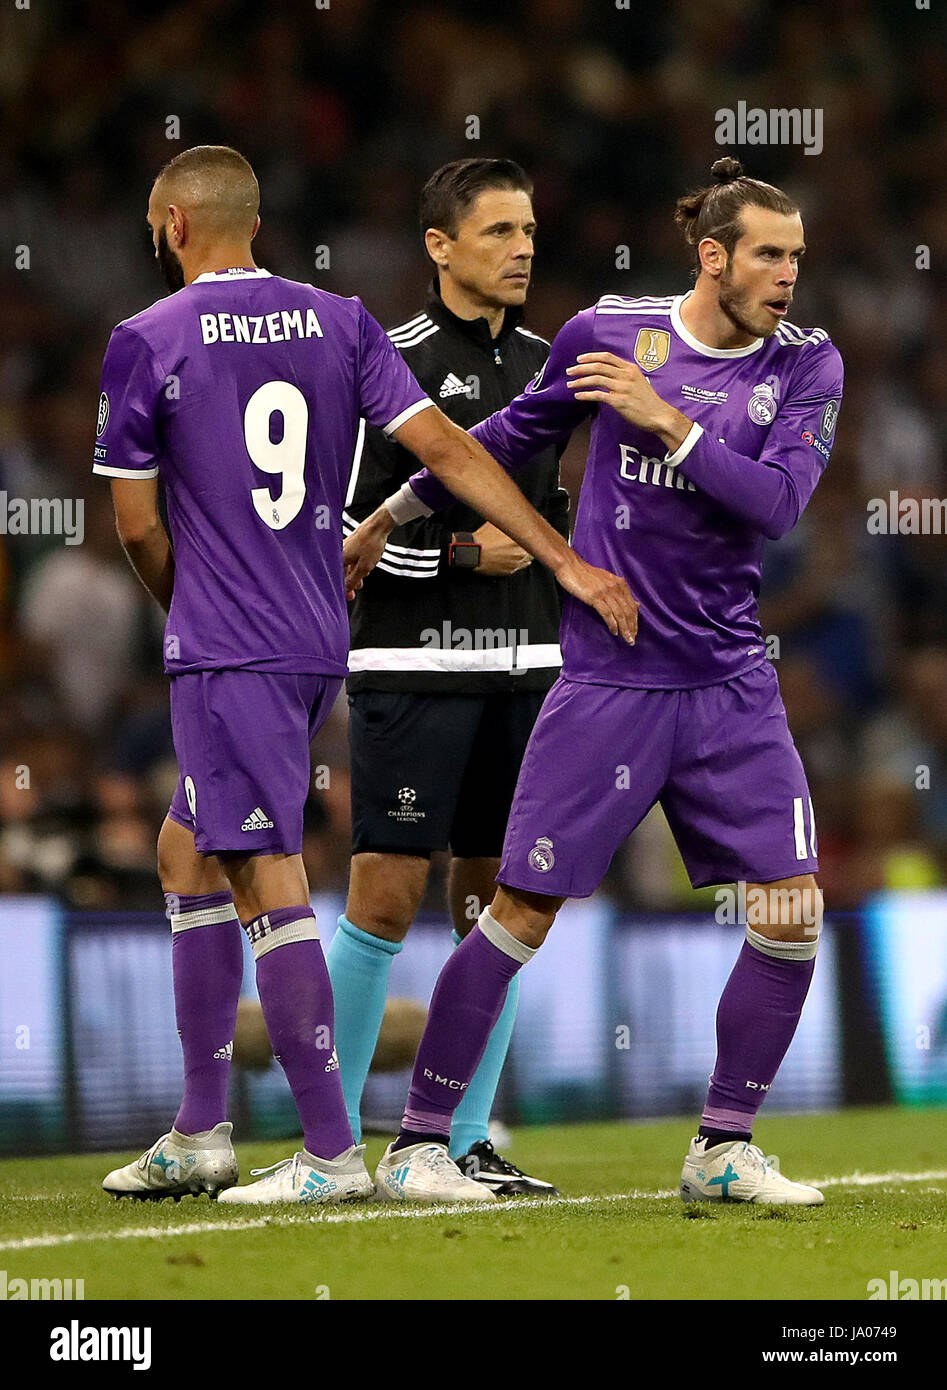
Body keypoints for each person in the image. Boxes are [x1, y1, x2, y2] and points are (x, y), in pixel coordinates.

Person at [95, 145, 636, 1207]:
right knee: (186, 847)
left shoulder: (145, 337)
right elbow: (453, 455)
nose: (522, 248)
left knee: (264, 872)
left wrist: (190, 610)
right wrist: (563, 553)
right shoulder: (341, 321)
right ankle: (203, 1128)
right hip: (322, 645)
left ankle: (330, 1153)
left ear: (169, 225)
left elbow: (133, 523)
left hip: (232, 642)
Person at [346, 158, 844, 1206]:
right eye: (766, 253)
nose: (786, 274)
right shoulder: (607, 333)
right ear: (711, 256)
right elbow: (505, 440)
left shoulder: (807, 365)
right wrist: (390, 515)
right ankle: (420, 1142)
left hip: (728, 682)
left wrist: (668, 421)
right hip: (610, 681)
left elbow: (771, 504)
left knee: (791, 910)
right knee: (517, 909)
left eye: (794, 256)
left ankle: (721, 1146)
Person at [329, 158, 564, 1196]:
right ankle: (329, 1143)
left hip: (530, 672)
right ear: (438, 246)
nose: (520, 248)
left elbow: (564, 522)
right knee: (384, 894)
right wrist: (468, 555)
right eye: (497, 231)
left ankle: (457, 1134)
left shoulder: (557, 364)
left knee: (501, 905)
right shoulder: (391, 361)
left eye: (526, 230)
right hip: (414, 667)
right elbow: (339, 538)